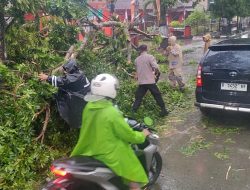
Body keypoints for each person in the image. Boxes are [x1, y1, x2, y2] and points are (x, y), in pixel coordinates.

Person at [71, 73, 150, 190]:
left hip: (87, 148)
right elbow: (128, 135)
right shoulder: (111, 112)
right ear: (110, 90)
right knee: (133, 170)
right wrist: (142, 135)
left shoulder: (88, 107)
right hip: (107, 152)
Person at [38, 59, 90, 128]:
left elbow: (63, 81)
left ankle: (74, 122)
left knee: (73, 111)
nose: (65, 71)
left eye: (67, 69)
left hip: (80, 99)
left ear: (71, 69)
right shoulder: (78, 73)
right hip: (84, 97)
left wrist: (47, 78)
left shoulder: (75, 78)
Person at [132, 44, 168, 117]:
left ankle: (133, 112)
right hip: (150, 81)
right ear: (146, 49)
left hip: (142, 82)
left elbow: (137, 72)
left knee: (138, 97)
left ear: (140, 50)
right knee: (157, 95)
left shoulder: (136, 60)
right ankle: (163, 110)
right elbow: (156, 67)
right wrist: (155, 72)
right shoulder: (150, 57)